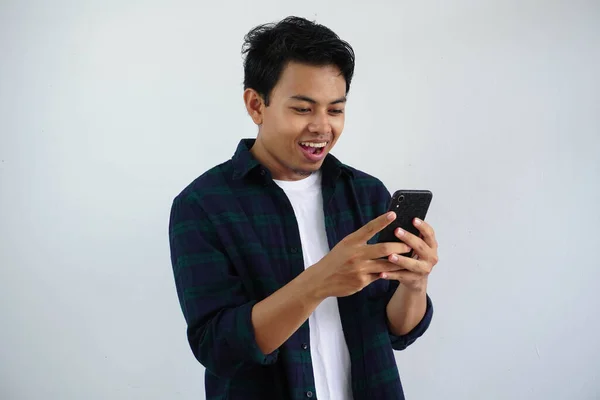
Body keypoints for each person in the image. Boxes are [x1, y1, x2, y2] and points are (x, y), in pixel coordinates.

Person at [168, 16, 439, 400]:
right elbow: (219, 347)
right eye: (302, 109)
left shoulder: (366, 194)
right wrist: (320, 281)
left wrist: (414, 284)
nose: (322, 127)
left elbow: (396, 331)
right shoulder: (202, 206)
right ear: (256, 105)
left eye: (335, 110)